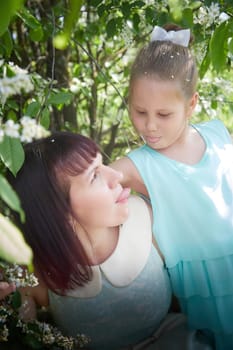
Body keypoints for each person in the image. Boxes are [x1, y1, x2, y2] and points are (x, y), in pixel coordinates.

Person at [7, 131, 211, 350]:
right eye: (94, 176)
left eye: (102, 165)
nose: (116, 176)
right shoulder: (32, 272)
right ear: (59, 213)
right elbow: (18, 339)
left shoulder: (149, 219)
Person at [111, 23, 233, 350]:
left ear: (191, 104)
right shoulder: (139, 165)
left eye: (164, 114)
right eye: (139, 112)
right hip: (210, 301)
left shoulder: (219, 135)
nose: (149, 126)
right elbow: (83, 187)